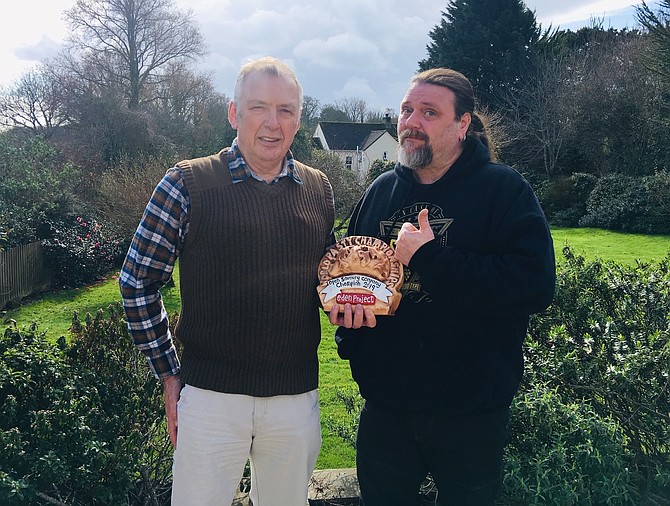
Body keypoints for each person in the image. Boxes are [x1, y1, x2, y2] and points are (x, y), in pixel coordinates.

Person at [330, 68, 556, 505]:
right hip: (387, 410)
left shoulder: (502, 190)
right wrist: (348, 325)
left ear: (463, 125)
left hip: (470, 415)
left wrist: (430, 258)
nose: (412, 121)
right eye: (407, 110)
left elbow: (533, 285)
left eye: (430, 112)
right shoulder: (380, 192)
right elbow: (352, 278)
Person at [120, 56, 335, 506]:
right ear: (234, 113)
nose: (272, 123)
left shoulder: (319, 190)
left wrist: (352, 297)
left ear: (299, 119)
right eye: (258, 107)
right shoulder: (187, 183)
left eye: (286, 110)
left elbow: (324, 280)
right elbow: (137, 281)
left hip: (295, 398)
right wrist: (169, 373)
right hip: (211, 398)